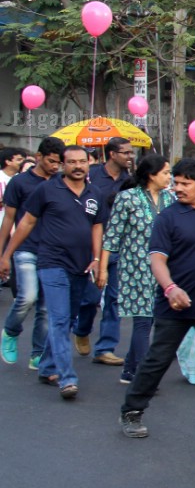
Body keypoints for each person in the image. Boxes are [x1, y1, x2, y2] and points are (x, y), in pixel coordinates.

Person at [119, 159, 195, 438]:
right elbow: (157, 259)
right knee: (156, 360)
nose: (177, 188)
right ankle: (132, 411)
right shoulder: (167, 217)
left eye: (185, 183)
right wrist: (170, 288)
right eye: (175, 182)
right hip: (174, 304)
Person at [2, 145, 102, 399]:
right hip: (51, 263)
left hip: (80, 265)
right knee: (57, 318)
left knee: (67, 320)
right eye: (72, 162)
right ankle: (66, 378)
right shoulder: (46, 190)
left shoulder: (95, 194)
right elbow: (26, 222)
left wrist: (98, 258)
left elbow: (97, 227)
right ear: (63, 165)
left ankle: (46, 367)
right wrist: (6, 254)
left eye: (82, 162)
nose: (78, 166)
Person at [100, 154, 175, 385]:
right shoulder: (127, 198)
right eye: (165, 173)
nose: (169, 177)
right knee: (143, 321)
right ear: (151, 175)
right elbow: (111, 237)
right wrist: (102, 269)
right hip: (135, 268)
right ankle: (144, 375)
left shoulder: (169, 199)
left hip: (162, 269)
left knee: (151, 320)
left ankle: (130, 370)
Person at [0, 136, 63, 368]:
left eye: (59, 163)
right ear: (38, 157)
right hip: (25, 247)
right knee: (27, 297)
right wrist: (3, 254)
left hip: (52, 252)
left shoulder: (61, 182)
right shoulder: (20, 183)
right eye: (51, 161)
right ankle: (10, 331)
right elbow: (8, 219)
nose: (55, 166)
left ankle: (38, 353)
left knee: (46, 308)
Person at [74, 136, 133, 366]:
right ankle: (82, 329)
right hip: (93, 246)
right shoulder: (93, 175)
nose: (130, 156)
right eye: (126, 152)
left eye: (131, 153)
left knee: (115, 299)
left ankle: (105, 347)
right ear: (112, 154)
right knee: (90, 297)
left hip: (120, 245)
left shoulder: (131, 180)